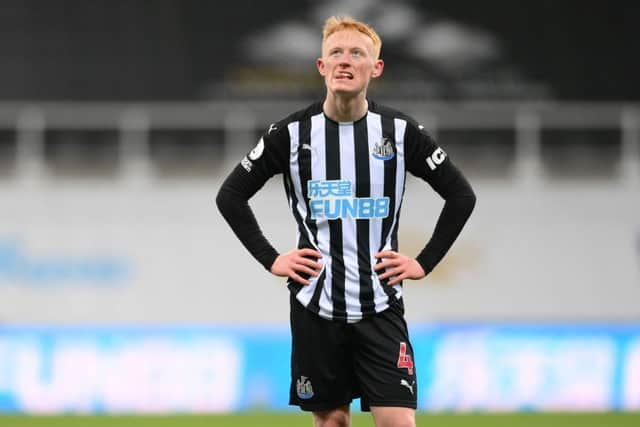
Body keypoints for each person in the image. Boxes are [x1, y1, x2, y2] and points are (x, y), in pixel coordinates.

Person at [216, 15, 476, 427]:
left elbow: (461, 195)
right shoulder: (291, 134)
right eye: (335, 52)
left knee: (399, 423)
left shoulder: (400, 133)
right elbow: (230, 196)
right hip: (315, 306)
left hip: (380, 306)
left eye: (357, 53)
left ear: (376, 68)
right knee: (332, 421)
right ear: (321, 67)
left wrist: (423, 262)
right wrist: (272, 259)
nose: (345, 61)